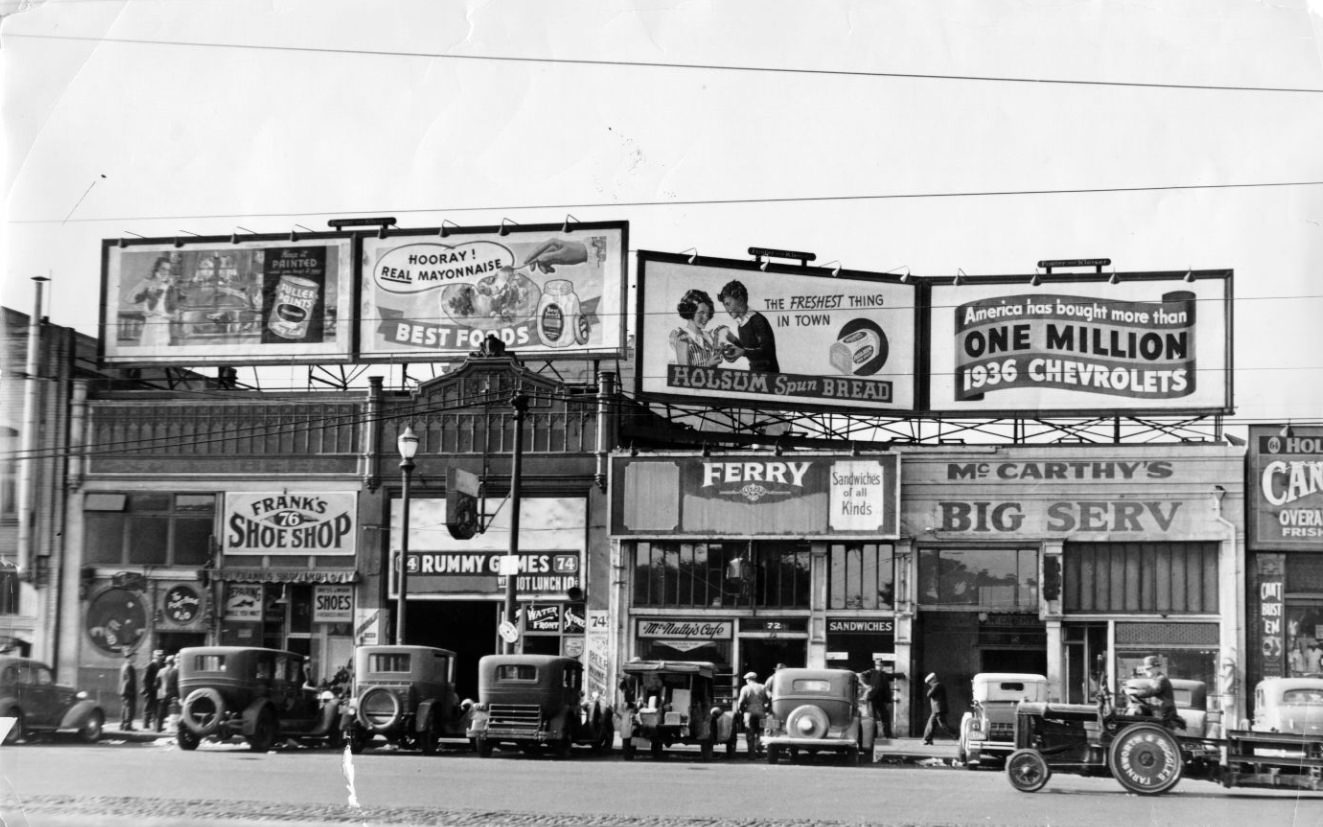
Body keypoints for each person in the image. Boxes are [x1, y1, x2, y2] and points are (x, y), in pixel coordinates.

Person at [717, 280, 779, 372]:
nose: (726, 309)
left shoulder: (757, 320)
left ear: (741, 300)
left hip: (769, 375)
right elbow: (748, 349)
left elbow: (766, 352)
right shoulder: (741, 325)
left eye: (728, 304)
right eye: (724, 305)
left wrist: (743, 352)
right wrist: (733, 339)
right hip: (755, 374)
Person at [131, 255, 181, 348]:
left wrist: (163, 315)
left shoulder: (170, 289)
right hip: (148, 330)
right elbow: (131, 300)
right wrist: (144, 282)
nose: (165, 272)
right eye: (163, 269)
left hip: (162, 331)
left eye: (168, 270)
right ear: (156, 269)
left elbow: (176, 317)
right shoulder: (149, 287)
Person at [668, 288, 726, 367]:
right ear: (690, 311)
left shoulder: (707, 336)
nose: (706, 318)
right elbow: (684, 374)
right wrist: (708, 364)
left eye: (707, 314)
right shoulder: (683, 337)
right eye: (701, 313)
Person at [859, 657, 904, 739]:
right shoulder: (872, 672)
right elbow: (862, 676)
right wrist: (869, 685)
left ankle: (888, 735)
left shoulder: (884, 674)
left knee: (885, 716)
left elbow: (892, 675)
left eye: (881, 665)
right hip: (872, 698)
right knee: (872, 717)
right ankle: (873, 736)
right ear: (876, 666)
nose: (880, 666)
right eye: (878, 665)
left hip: (881, 699)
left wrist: (902, 675)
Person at [1126, 655, 1177, 723]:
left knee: (1137, 711)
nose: (1146, 671)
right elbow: (1148, 691)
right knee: (1138, 709)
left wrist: (1134, 692)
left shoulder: (1161, 679)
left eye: (1148, 669)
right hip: (1159, 712)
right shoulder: (1155, 680)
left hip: (1164, 715)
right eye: (1146, 669)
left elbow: (1151, 691)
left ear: (1156, 668)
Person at [735, 671, 769, 757]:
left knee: (750, 732)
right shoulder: (763, 687)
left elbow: (741, 702)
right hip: (761, 711)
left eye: (746, 679)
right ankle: (760, 750)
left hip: (749, 712)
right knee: (761, 731)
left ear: (749, 680)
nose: (746, 681)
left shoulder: (745, 688)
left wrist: (741, 710)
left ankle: (751, 753)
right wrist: (767, 708)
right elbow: (770, 698)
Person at [922, 672, 953, 745]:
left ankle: (957, 735)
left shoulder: (937, 685)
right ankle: (927, 739)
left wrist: (929, 690)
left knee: (943, 725)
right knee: (931, 724)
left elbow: (929, 694)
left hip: (938, 709)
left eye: (930, 681)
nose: (929, 683)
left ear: (933, 679)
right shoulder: (937, 685)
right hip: (937, 709)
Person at [141, 649, 164, 730]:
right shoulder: (150, 666)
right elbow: (144, 679)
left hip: (155, 691)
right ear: (154, 656)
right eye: (158, 656)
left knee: (155, 708)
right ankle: (145, 725)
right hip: (149, 691)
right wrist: (147, 689)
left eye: (161, 656)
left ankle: (155, 725)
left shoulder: (159, 666)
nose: (160, 658)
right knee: (148, 708)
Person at [155, 654, 179, 732]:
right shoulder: (175, 671)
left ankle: (158, 728)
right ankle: (171, 727)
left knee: (161, 712)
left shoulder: (161, 671)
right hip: (172, 694)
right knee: (172, 712)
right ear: (173, 663)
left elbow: (156, 683)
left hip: (162, 694)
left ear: (166, 663)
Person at [118, 650, 138, 732]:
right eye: (134, 656)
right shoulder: (129, 667)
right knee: (129, 709)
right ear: (130, 657)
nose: (136, 658)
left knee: (124, 708)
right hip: (128, 691)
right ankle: (127, 725)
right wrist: (132, 691)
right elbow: (129, 681)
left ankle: (123, 724)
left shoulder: (123, 666)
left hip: (123, 691)